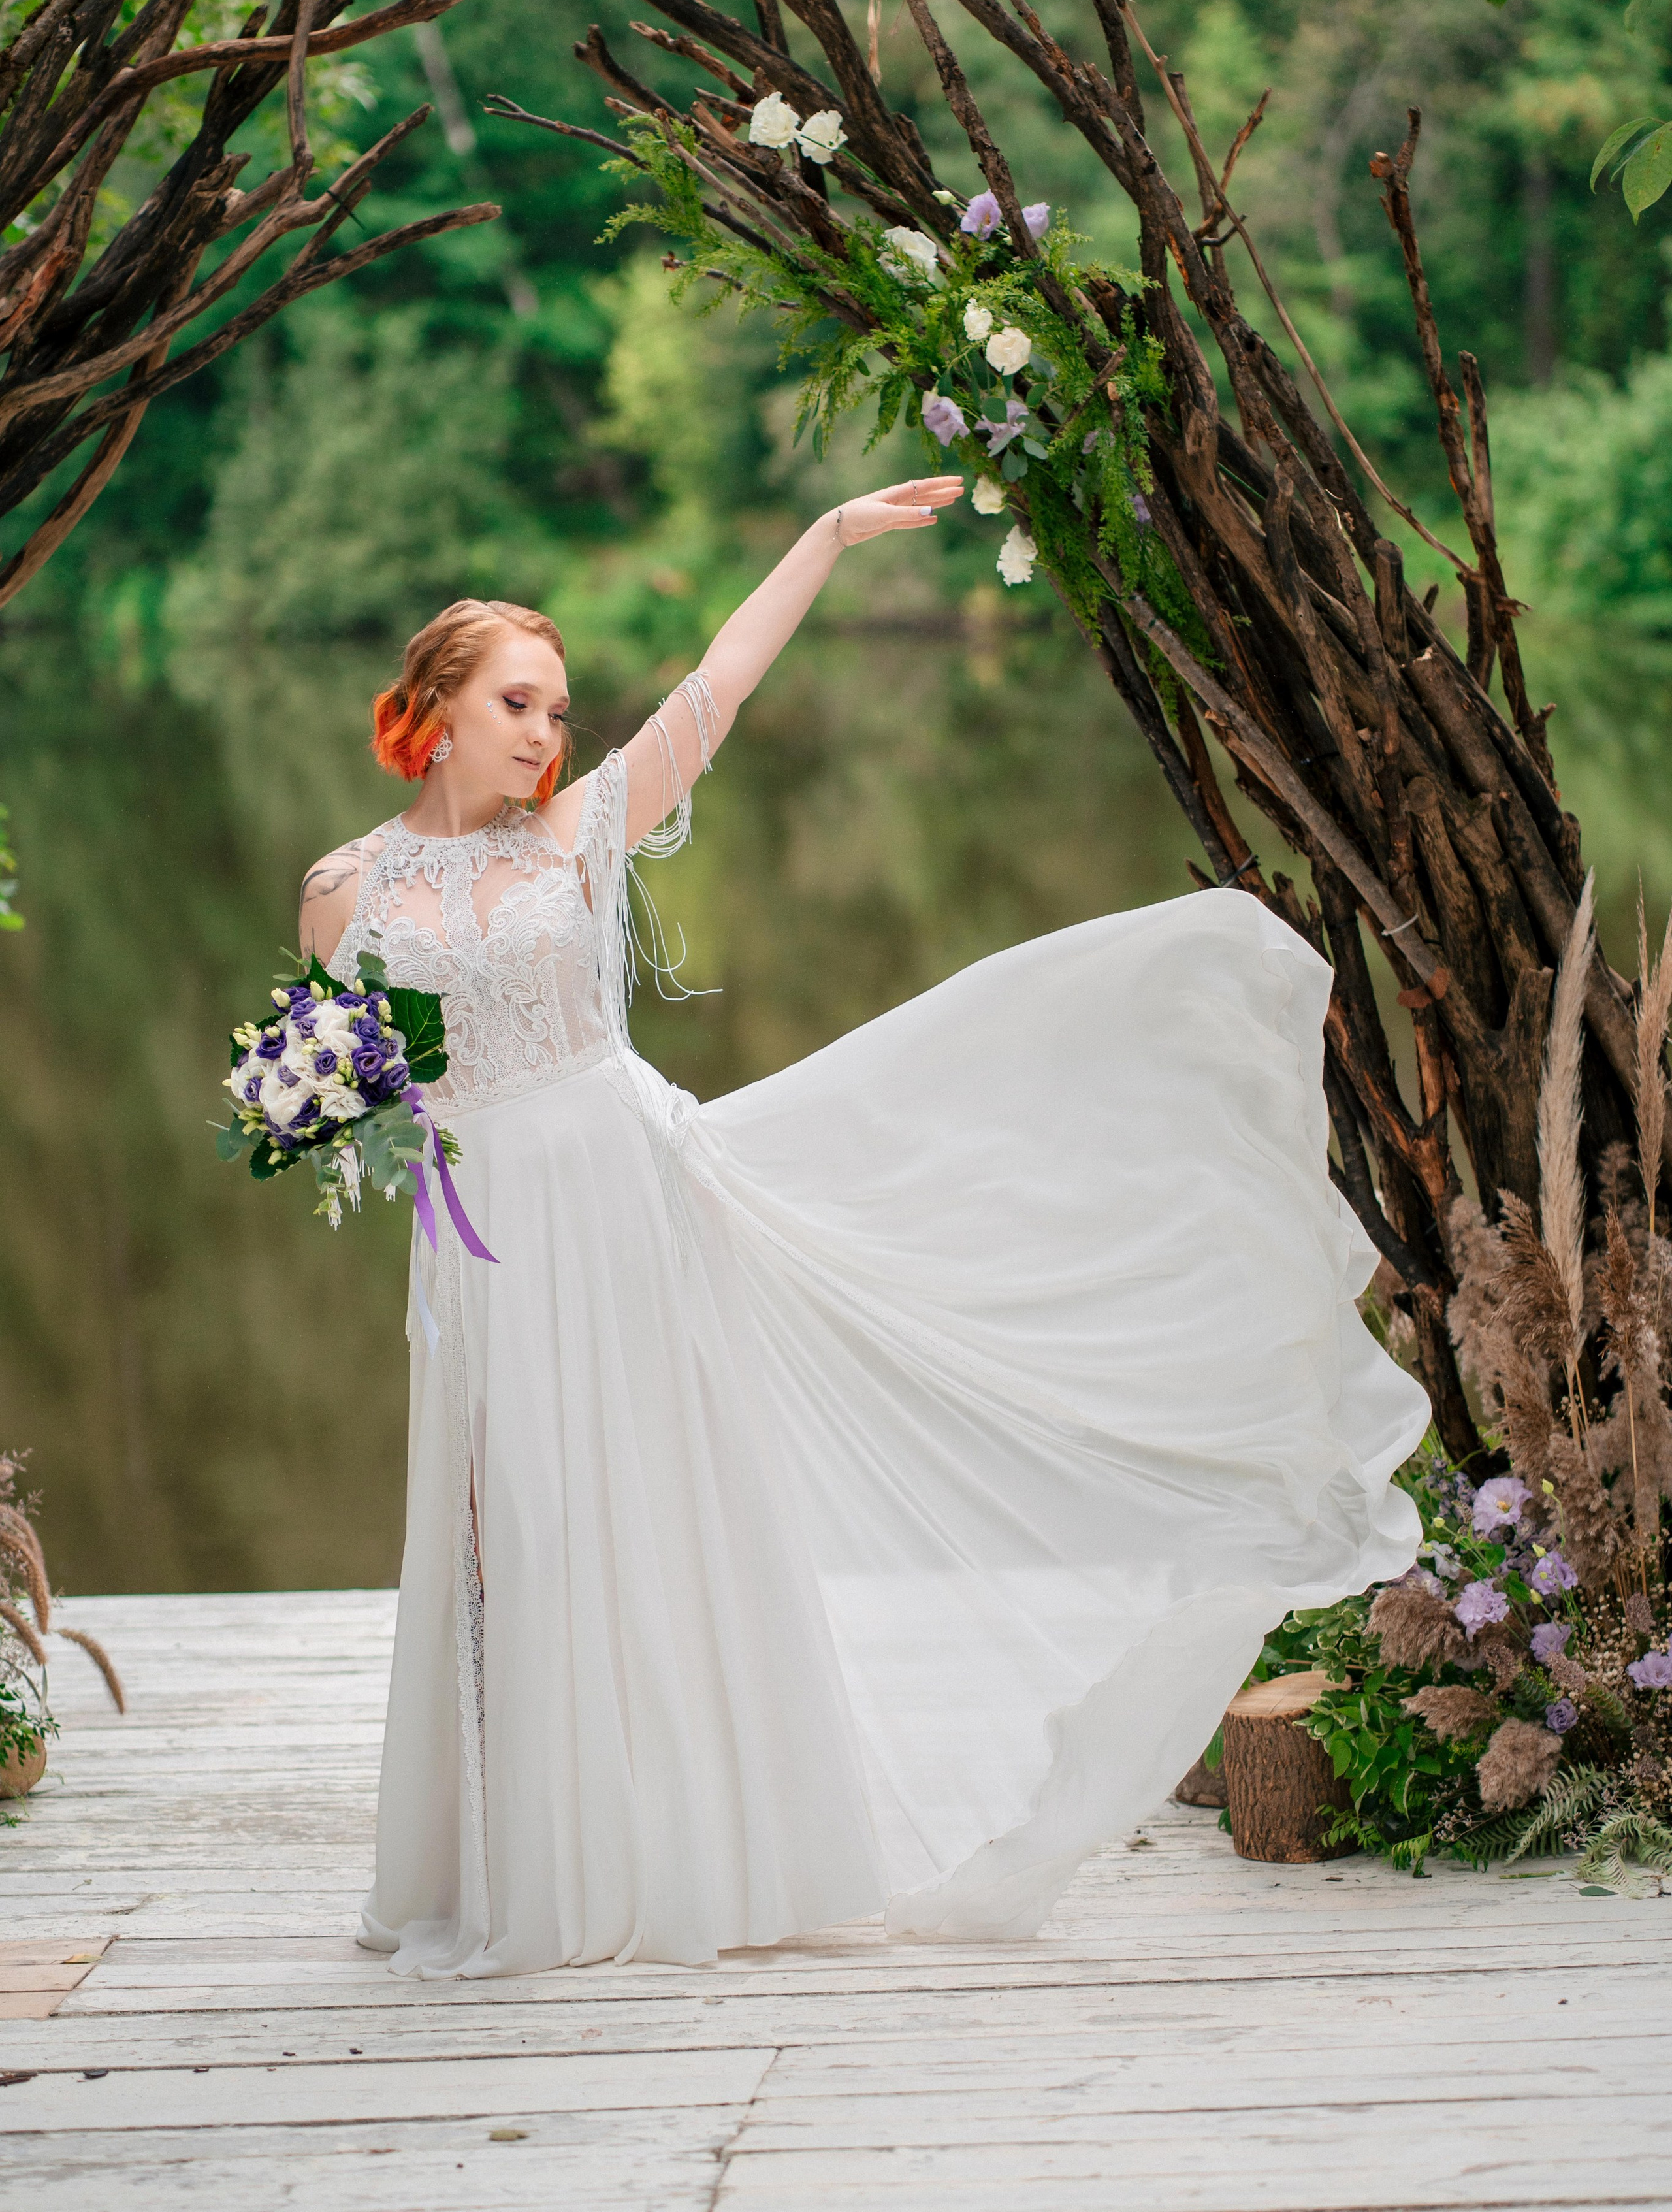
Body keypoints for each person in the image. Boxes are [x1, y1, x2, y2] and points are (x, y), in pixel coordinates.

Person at [298, 478, 1427, 1977]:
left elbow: (716, 690)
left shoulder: (574, 831)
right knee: (507, 1528)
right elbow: (356, 1094)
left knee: (642, 1521)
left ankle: (685, 1853)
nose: (543, 732)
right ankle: (525, 1865)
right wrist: (345, 1127)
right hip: (486, 1237)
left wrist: (823, 540)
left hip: (626, 1204)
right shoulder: (344, 892)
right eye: (516, 702)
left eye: (557, 709)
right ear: (435, 701)